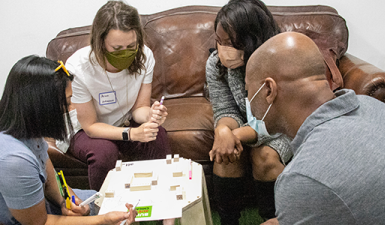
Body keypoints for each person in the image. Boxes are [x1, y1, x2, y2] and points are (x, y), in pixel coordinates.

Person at [246, 32, 385, 224]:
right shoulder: (373, 106)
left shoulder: (303, 178)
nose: (248, 101)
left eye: (248, 90)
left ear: (269, 89)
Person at [0, 55, 137, 225]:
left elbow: (47, 169)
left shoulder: (29, 132)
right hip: (32, 220)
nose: (71, 108)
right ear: (41, 106)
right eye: (66, 102)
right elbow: (39, 223)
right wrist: (101, 221)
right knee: (107, 215)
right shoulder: (14, 161)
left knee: (105, 203)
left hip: (43, 208)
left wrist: (66, 199)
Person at [65, 1, 171, 191]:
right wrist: (131, 134)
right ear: (100, 43)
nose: (125, 53)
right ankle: (106, 216)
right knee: (105, 152)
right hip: (87, 130)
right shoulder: (77, 67)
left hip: (123, 122)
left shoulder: (145, 56)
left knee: (157, 136)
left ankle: (163, 209)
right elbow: (90, 126)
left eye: (131, 45)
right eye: (116, 48)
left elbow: (139, 109)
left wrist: (151, 115)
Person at [205, 0, 292, 223]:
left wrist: (234, 136)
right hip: (245, 125)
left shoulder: (279, 60)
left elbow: (274, 120)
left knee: (265, 156)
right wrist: (224, 130)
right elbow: (225, 107)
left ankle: (272, 220)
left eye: (231, 43)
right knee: (225, 153)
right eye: (219, 41)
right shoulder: (215, 64)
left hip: (282, 128)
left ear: (251, 39)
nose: (223, 49)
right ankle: (228, 220)